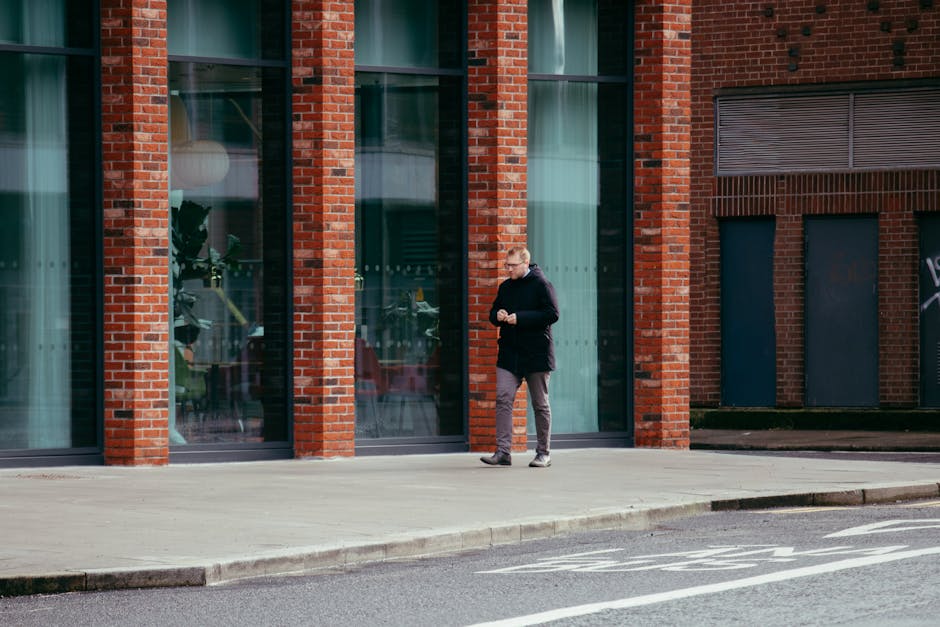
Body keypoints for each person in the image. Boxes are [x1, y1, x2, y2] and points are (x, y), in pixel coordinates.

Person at [481, 247, 559, 468]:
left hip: (536, 353)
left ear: (526, 263)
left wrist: (520, 318)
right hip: (509, 353)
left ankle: (544, 453)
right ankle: (503, 452)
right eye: (507, 265)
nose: (509, 269)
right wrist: (498, 315)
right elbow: (493, 313)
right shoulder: (505, 287)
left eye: (513, 265)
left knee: (540, 404)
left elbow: (552, 314)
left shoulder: (542, 284)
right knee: (503, 398)